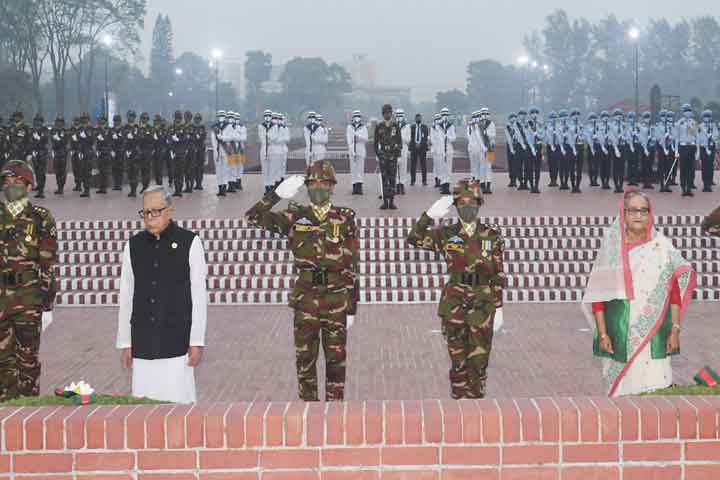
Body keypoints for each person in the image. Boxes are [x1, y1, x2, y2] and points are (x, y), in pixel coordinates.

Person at [245, 161, 359, 401]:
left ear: (332, 187)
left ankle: (335, 415)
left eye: (324, 183)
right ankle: (309, 413)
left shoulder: (345, 217)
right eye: (313, 183)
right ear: (307, 187)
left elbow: (352, 264)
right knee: (305, 361)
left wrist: (351, 307)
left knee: (336, 362)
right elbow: (252, 217)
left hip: (336, 297)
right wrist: (275, 195)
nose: (318, 187)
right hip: (306, 298)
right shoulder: (294, 216)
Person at [582, 191, 696, 396]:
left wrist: (675, 330)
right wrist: (603, 333)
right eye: (632, 210)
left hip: (655, 333)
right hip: (620, 333)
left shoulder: (662, 247)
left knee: (656, 392)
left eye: (643, 210)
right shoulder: (611, 250)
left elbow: (674, 294)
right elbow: (598, 298)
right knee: (622, 396)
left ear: (650, 214)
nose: (638, 215)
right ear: (623, 214)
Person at [407, 179, 505, 399]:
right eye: (462, 201)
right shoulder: (445, 233)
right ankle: (458, 414)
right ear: (456, 204)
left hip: (482, 303)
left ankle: (476, 412)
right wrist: (429, 217)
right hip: (455, 304)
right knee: (458, 363)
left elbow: (498, 273)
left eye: (472, 201)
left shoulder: (492, 235)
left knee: (479, 363)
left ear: (479, 203)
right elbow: (413, 238)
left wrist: (498, 307)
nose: (467, 205)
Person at [116, 186, 207, 403]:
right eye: (146, 212)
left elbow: (198, 296)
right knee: (143, 408)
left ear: (170, 210)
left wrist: (197, 340)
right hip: (143, 340)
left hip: (177, 339)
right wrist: (125, 342)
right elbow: (127, 295)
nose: (150, 218)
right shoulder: (133, 246)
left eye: (156, 211)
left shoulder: (190, 243)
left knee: (178, 406)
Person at [0, 160, 58, 401]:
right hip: (1, 301)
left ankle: (29, 410)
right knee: (3, 362)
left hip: (29, 300)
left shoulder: (40, 217)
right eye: (7, 181)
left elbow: (48, 262)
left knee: (28, 361)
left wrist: (47, 302)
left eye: (16, 181)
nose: (11, 185)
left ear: (29, 185)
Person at [374, 104, 403, 209]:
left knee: (392, 179)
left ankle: (392, 201)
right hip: (383, 155)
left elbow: (400, 142)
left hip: (393, 155)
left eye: (389, 112)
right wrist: (377, 154)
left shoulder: (395, 126)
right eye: (385, 113)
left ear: (391, 113)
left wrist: (398, 154)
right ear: (383, 114)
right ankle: (385, 202)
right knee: (384, 178)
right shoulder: (379, 126)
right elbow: (375, 142)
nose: (387, 114)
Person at [347, 110, 369, 195]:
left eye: (358, 116)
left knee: (360, 168)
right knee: (353, 169)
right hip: (353, 149)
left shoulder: (363, 127)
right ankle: (354, 187)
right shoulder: (349, 127)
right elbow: (349, 140)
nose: (357, 118)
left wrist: (358, 136)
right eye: (355, 116)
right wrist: (351, 150)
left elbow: (366, 139)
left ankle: (359, 187)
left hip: (360, 148)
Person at [697, 110, 717, 193]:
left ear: (710, 117)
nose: (707, 118)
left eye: (708, 116)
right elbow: (699, 138)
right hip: (703, 148)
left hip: (711, 147)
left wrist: (711, 136)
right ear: (703, 117)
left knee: (710, 165)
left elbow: (716, 136)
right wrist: (703, 148)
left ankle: (709, 183)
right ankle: (705, 184)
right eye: (705, 116)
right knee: (704, 166)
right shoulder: (700, 126)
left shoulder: (713, 126)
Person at [409, 113, 429, 186]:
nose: (418, 119)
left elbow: (426, 137)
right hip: (414, 148)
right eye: (417, 118)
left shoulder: (425, 127)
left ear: (421, 119)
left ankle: (424, 181)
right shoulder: (412, 127)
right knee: (413, 165)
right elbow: (410, 137)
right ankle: (412, 181)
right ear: (415, 119)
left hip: (422, 148)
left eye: (419, 118)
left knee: (423, 165)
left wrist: (420, 144)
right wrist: (415, 144)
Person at [51, 116, 69, 195]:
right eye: (57, 122)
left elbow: (64, 142)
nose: (59, 124)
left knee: (62, 170)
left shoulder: (65, 131)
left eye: (60, 122)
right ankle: (59, 186)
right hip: (56, 153)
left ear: (63, 123)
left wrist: (58, 139)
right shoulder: (53, 131)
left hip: (62, 153)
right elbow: (52, 141)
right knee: (57, 171)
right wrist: (58, 141)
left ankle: (61, 187)